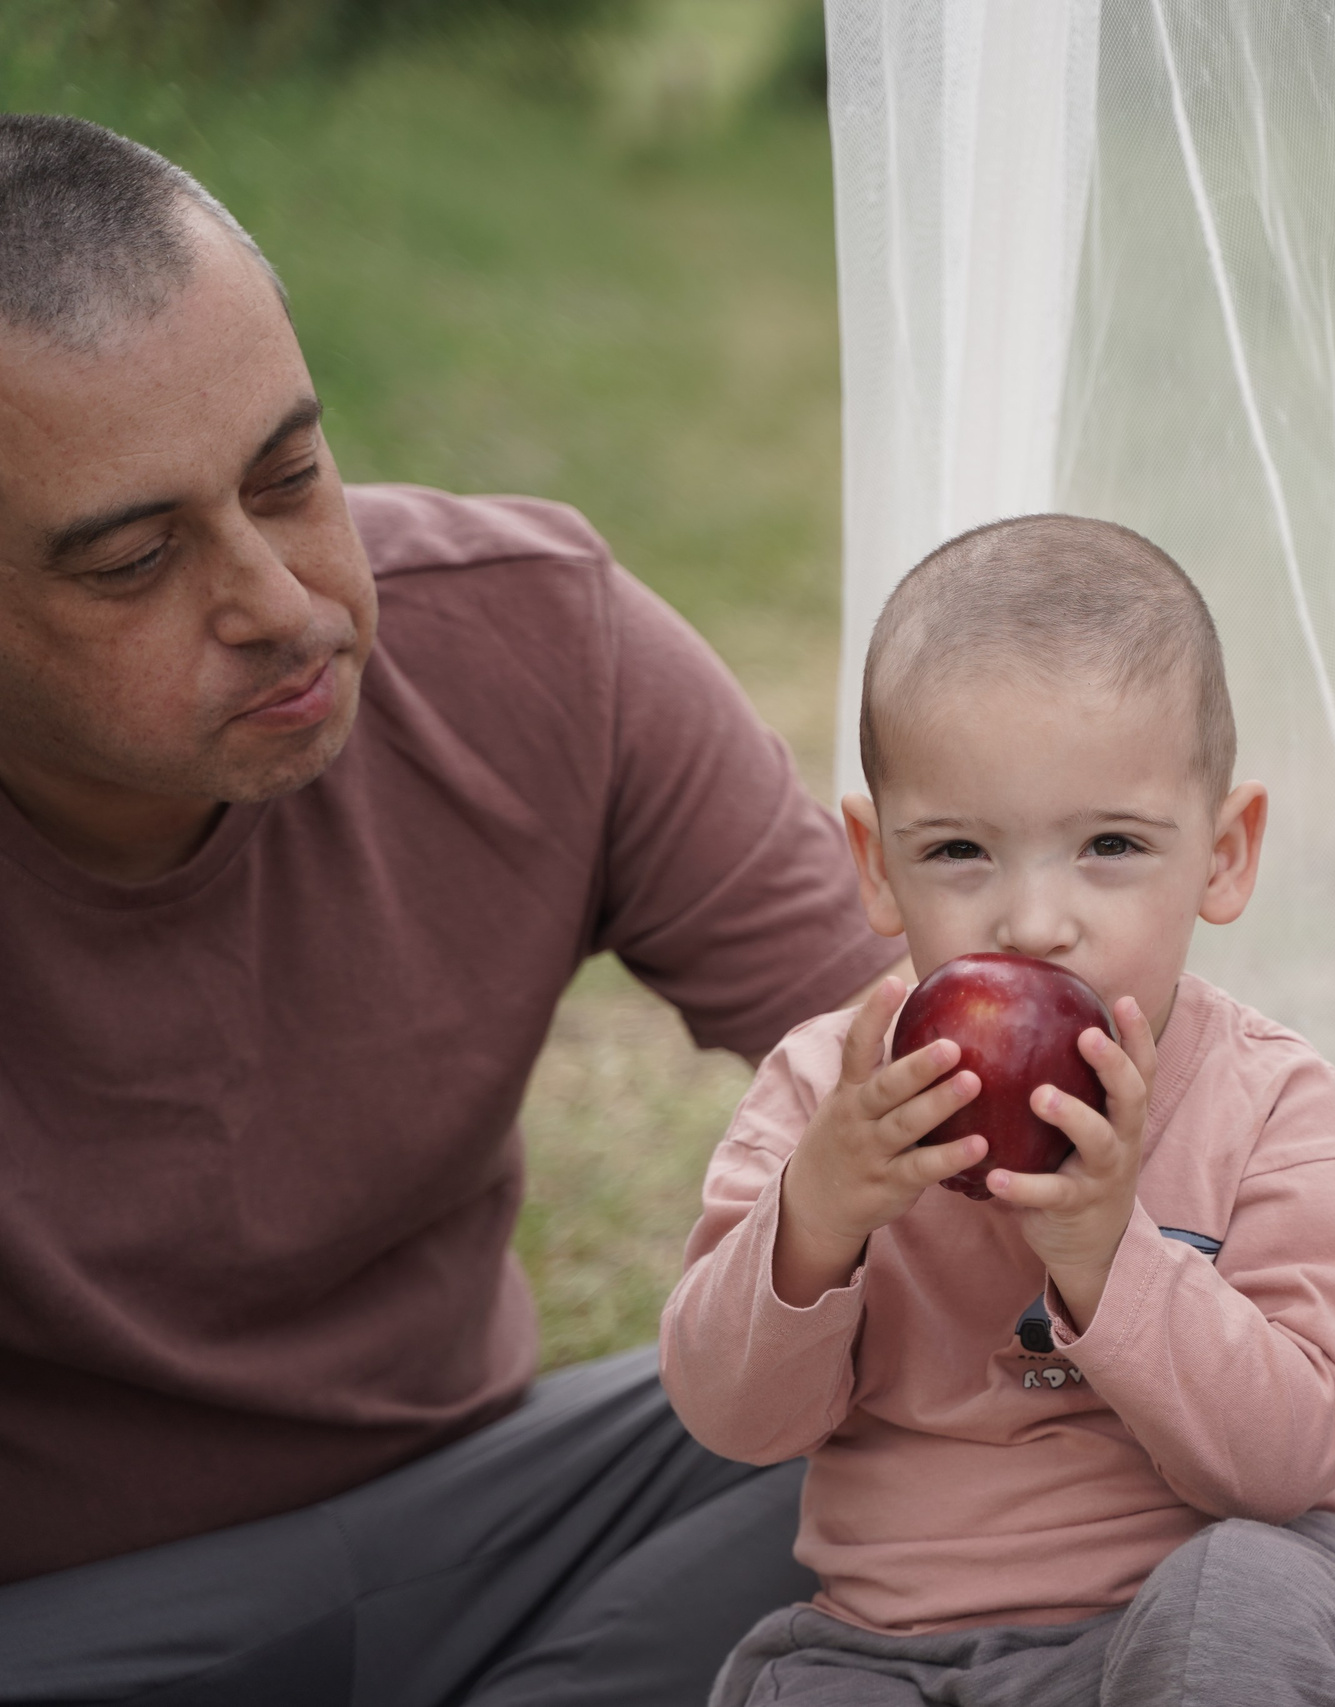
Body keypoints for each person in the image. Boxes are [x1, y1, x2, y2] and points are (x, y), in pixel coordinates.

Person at [0, 116, 902, 1704]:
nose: (281, 601)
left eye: (291, 477)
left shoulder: (535, 637)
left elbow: (973, 1102)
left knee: (968, 1425)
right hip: (69, 1624)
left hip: (503, 1520)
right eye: (136, 560)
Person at [658, 515, 1335, 1707]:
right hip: (896, 1646)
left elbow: (1293, 1463)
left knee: (1240, 1602)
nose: (1030, 924)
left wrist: (1109, 1256)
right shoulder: (828, 1095)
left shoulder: (1273, 1107)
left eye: (1109, 845)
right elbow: (732, 1419)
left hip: (1183, 1626)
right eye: (958, 850)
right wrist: (819, 1217)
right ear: (874, 863)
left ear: (1224, 854)